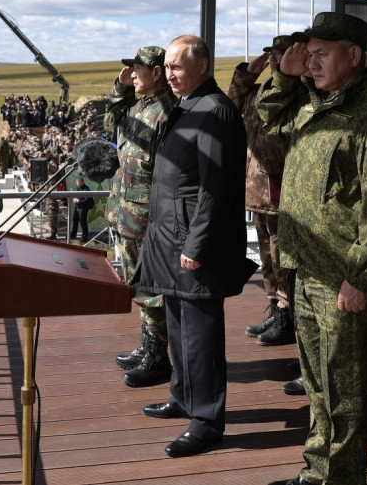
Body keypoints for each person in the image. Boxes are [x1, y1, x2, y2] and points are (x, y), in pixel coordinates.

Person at [259, 13, 367, 485]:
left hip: (342, 278)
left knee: (343, 391)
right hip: (305, 268)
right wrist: (285, 77)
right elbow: (271, 119)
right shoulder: (316, 103)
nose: (312, 62)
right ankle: (317, 472)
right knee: (317, 385)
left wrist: (361, 276)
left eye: (322, 53)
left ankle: (340, 478)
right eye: (309, 53)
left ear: (354, 55)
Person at [136, 35, 247, 458]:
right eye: (166, 67)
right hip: (170, 239)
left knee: (201, 337)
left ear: (202, 66)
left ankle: (206, 421)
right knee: (179, 326)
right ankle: (183, 396)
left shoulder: (215, 110)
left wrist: (197, 245)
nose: (169, 74)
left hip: (193, 244)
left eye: (177, 67)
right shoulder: (187, 105)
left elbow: (215, 187)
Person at [104, 45, 178, 388]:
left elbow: (168, 174)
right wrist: (120, 89)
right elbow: (112, 124)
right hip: (126, 212)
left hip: (145, 216)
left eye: (138, 69)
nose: (132, 74)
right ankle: (148, 345)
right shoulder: (141, 105)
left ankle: (158, 357)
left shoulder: (167, 111)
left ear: (157, 72)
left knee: (150, 288)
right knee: (137, 285)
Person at [227, 34, 294, 347]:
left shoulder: (296, 91)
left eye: (280, 54)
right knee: (267, 253)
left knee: (281, 254)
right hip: (256, 186)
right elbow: (232, 102)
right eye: (271, 54)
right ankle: (275, 307)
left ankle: (288, 314)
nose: (273, 59)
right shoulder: (259, 89)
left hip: (279, 184)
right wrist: (248, 73)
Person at [69, 176, 94, 242]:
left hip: (83, 208)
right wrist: (75, 199)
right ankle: (73, 234)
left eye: (79, 183)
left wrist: (79, 201)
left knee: (83, 221)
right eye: (77, 183)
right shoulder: (78, 188)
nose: (77, 184)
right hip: (78, 207)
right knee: (75, 220)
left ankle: (84, 236)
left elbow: (87, 200)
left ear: (82, 182)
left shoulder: (86, 189)